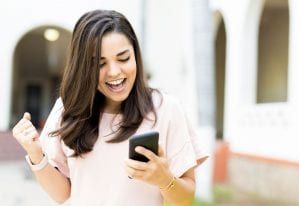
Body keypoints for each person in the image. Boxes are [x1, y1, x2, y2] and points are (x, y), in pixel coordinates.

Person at [12, 9, 207, 206]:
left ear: (135, 55)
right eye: (99, 64)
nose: (114, 72)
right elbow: (63, 194)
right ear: (84, 67)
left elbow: (185, 200)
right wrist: (36, 154)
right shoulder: (67, 108)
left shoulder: (165, 109)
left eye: (123, 58)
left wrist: (164, 179)